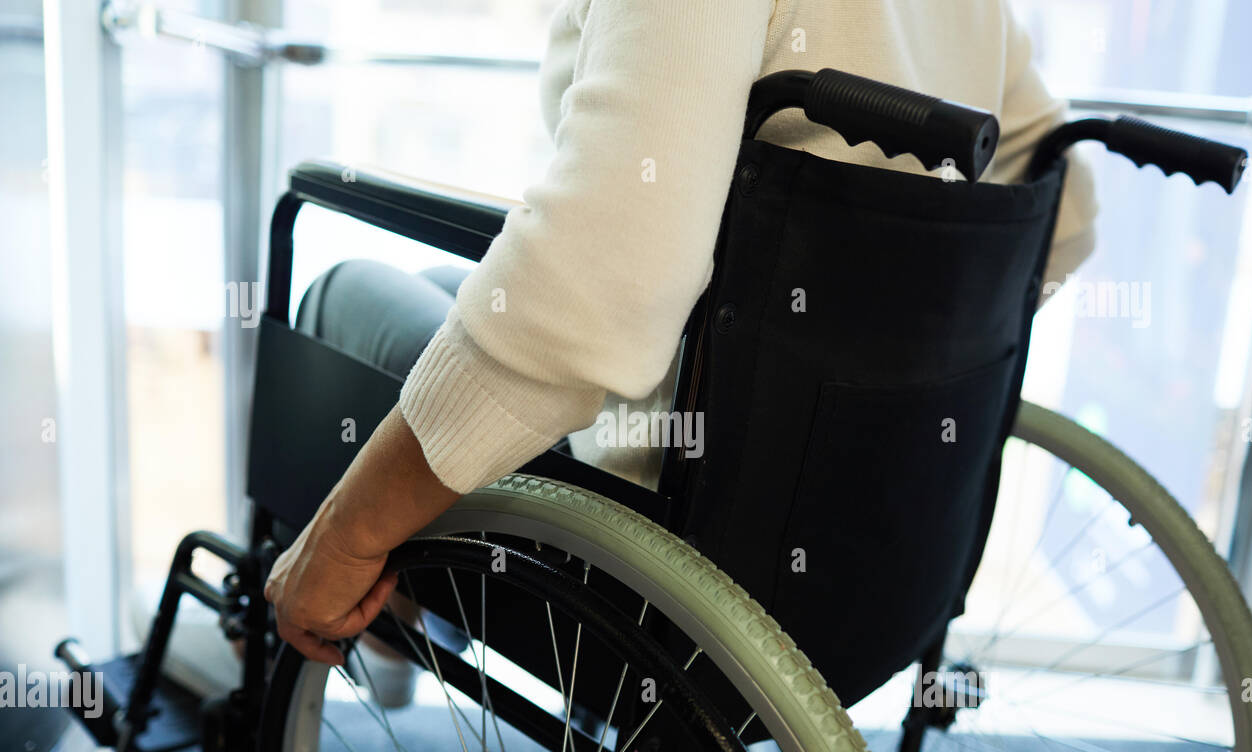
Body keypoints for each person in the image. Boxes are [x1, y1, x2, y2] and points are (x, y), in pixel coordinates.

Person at [264, 0, 1099, 671]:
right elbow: (1065, 211)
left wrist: (347, 532)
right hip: (886, 565)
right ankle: (393, 620)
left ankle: (349, 613)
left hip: (668, 580)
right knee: (447, 298)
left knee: (344, 293)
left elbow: (601, 279)